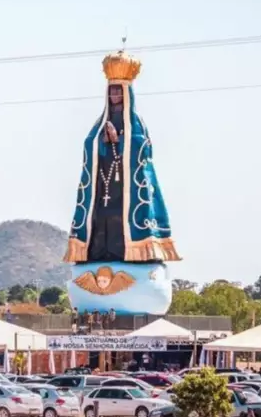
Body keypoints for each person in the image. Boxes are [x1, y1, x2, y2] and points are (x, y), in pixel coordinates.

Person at [63, 51, 180, 264]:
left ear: (126, 93)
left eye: (118, 91)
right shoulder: (100, 122)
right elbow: (89, 145)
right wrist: (102, 141)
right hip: (105, 185)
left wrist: (119, 140)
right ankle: (98, 253)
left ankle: (132, 253)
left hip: (126, 188)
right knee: (103, 220)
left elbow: (143, 151)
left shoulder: (136, 123)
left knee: (123, 219)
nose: (115, 95)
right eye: (112, 91)